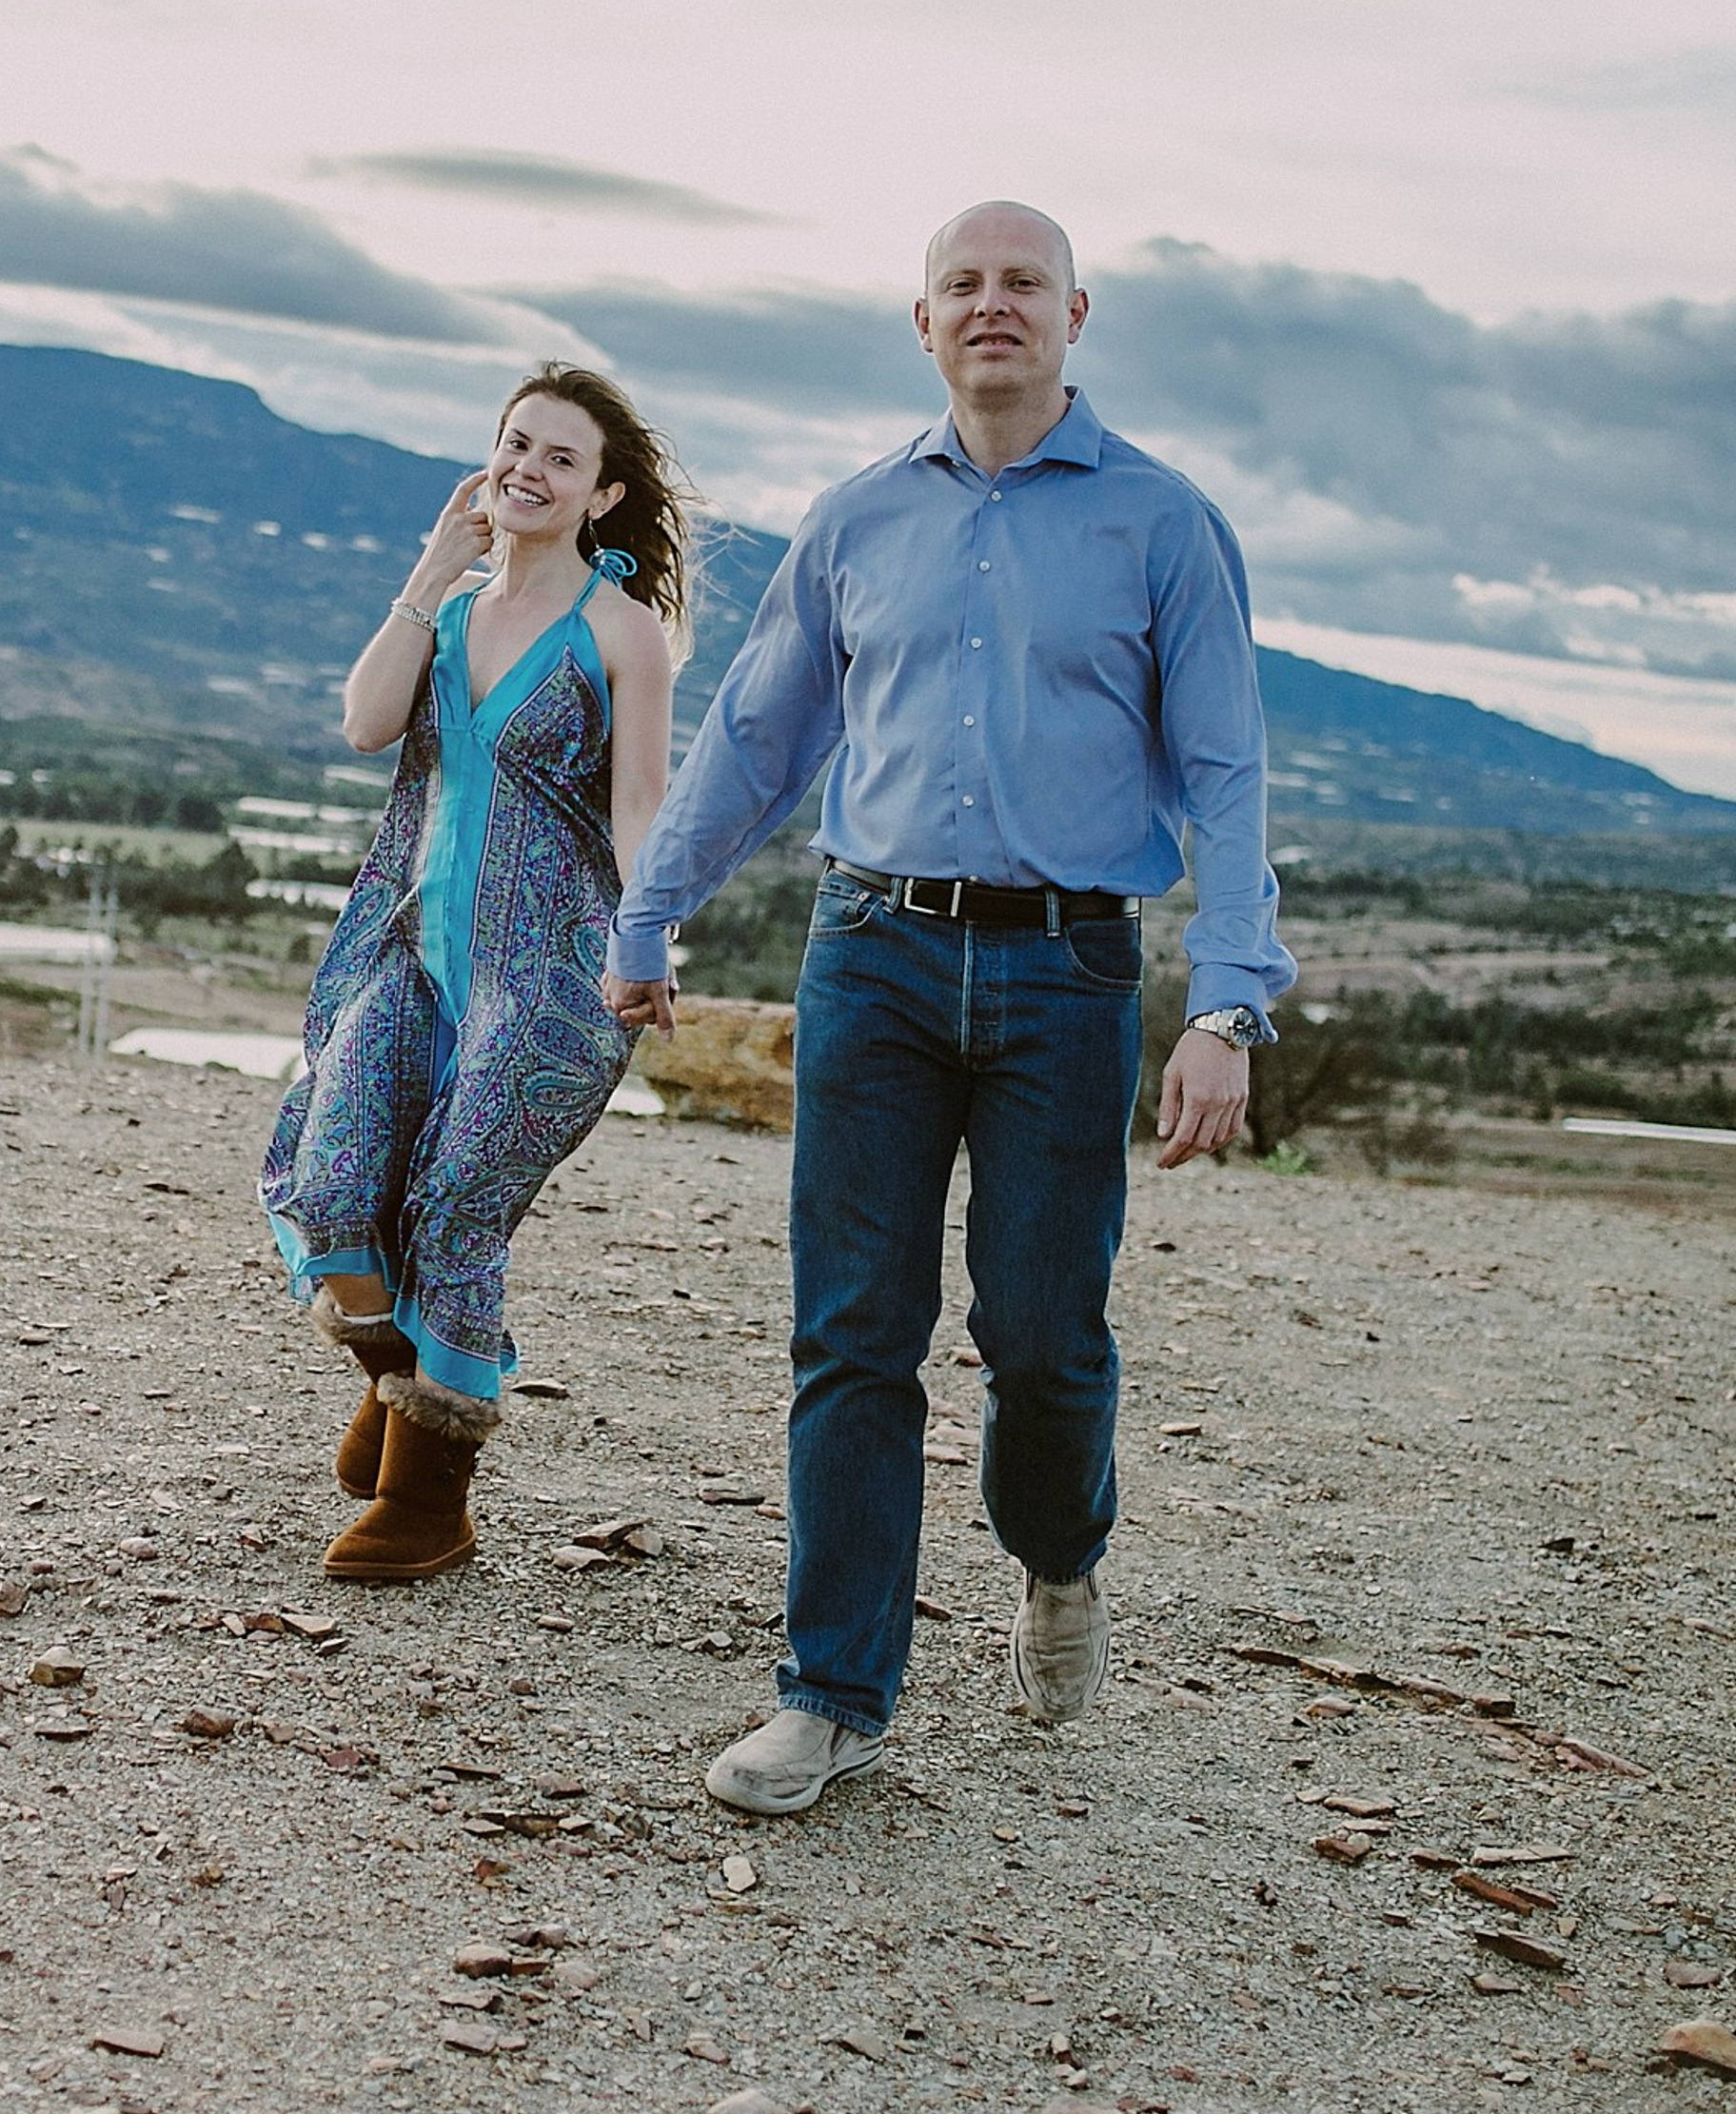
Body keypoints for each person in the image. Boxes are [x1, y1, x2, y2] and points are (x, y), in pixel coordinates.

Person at [602, 202, 1295, 1813]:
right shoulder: (855, 522)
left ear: (1074, 317)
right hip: (877, 955)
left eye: (1024, 284)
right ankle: (832, 1692)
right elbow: (757, 742)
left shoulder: (1164, 524)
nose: (995, 307)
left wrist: (1230, 1000)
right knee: (854, 1329)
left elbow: (1226, 776)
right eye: (964, 285)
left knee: (1044, 1339)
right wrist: (652, 908)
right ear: (924, 323)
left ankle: (1059, 1559)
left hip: (1070, 970)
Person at [263, 364, 693, 1581]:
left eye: (561, 458)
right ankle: (407, 1387)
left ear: (601, 493)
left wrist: (647, 937)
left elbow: (642, 800)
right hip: (408, 955)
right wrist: (426, 573)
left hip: (549, 971)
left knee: (455, 1207)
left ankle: (431, 1501)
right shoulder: (446, 617)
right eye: (515, 445)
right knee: (333, 1187)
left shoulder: (619, 631)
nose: (528, 471)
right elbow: (362, 724)